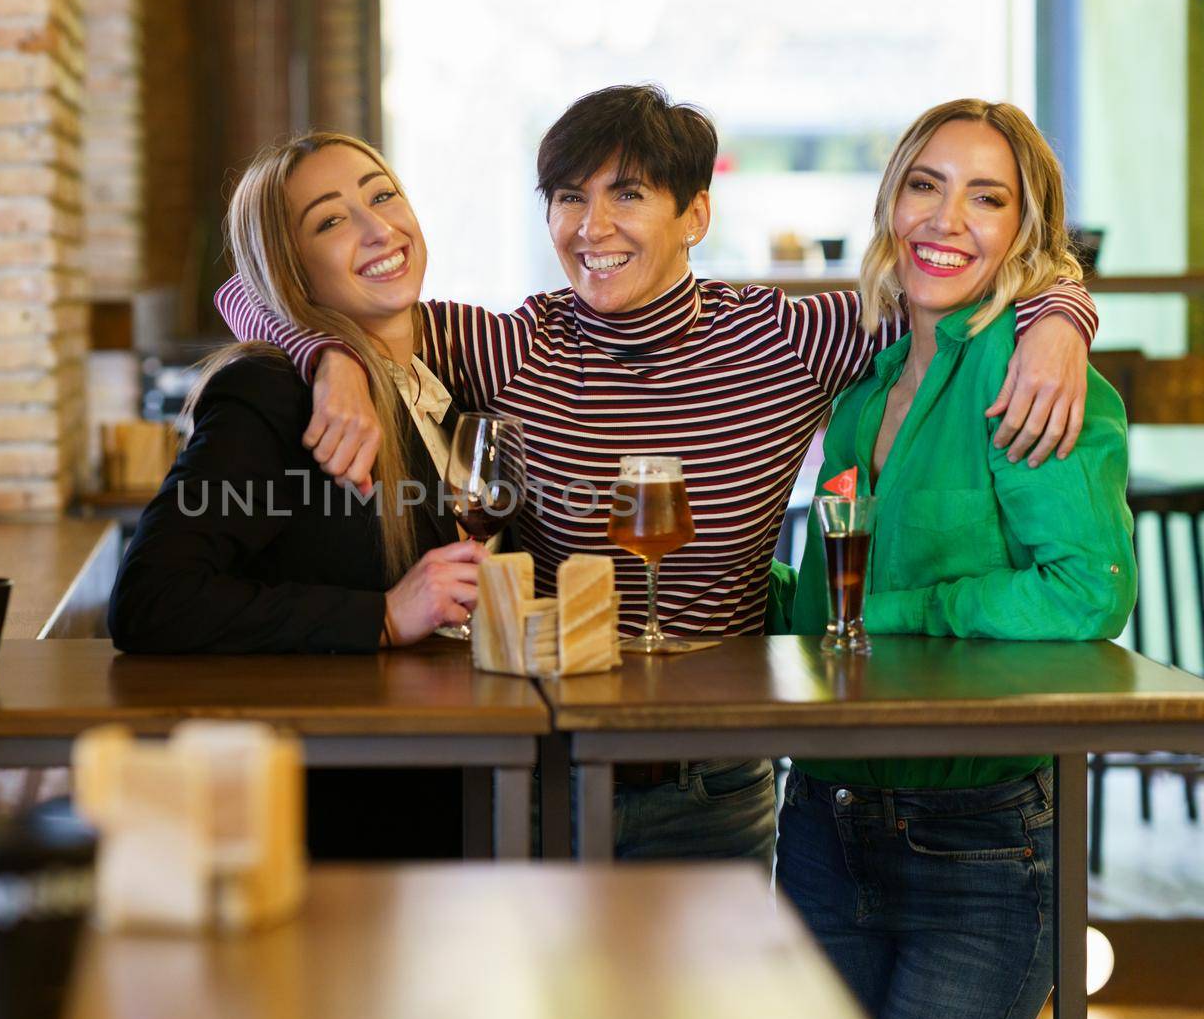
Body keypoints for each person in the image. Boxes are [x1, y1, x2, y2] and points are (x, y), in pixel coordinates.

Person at [213, 85, 1103, 866]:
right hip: (545, 769)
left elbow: (960, 274)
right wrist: (329, 352)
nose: (591, 228)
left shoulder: (788, 338)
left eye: (627, 195)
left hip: (715, 783)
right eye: (569, 199)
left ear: (695, 216)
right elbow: (251, 291)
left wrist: (1064, 316)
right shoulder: (510, 345)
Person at [774, 99, 1136, 1019]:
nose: (945, 220)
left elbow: (1087, 591)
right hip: (822, 820)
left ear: (1027, 230)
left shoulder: (1033, 375)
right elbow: (825, 611)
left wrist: (908, 610)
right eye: (925, 186)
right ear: (892, 203)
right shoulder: (861, 393)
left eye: (987, 198)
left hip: (981, 841)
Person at [108, 132, 487, 857]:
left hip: (458, 785)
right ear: (292, 271)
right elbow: (153, 598)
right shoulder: (272, 392)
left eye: (382, 195)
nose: (378, 228)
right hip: (340, 820)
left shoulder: (448, 375)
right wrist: (379, 616)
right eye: (330, 220)